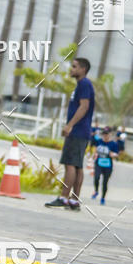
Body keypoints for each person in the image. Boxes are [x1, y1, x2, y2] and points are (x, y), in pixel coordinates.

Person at [45, 57, 94, 211]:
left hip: (78, 130)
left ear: (83, 69)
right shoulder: (81, 85)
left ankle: (63, 198)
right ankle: (74, 201)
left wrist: (70, 125)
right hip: (81, 131)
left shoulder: (84, 84)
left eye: (74, 67)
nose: (71, 69)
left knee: (70, 164)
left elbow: (84, 106)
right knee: (77, 165)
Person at [90, 125, 118, 205]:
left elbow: (116, 154)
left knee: (105, 182)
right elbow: (95, 149)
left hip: (108, 165)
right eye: (104, 134)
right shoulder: (99, 141)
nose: (105, 135)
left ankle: (103, 197)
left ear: (110, 134)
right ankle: (96, 191)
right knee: (96, 177)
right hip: (99, 163)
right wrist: (94, 154)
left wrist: (113, 154)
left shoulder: (113, 144)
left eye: (107, 134)